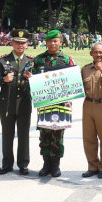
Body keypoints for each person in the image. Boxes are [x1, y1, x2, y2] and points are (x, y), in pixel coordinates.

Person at [31, 29, 76, 178]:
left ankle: (55, 165)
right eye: (50, 41)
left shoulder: (67, 59)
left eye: (55, 41)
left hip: (61, 104)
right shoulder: (38, 60)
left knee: (57, 134)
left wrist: (69, 100)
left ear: (60, 42)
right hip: (44, 103)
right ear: (46, 42)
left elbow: (72, 81)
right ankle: (46, 164)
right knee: (44, 134)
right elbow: (33, 80)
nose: (52, 43)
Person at [0, 29, 34, 175]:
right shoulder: (2, 60)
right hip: (7, 103)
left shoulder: (31, 61)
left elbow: (39, 85)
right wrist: (4, 80)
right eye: (17, 42)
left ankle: (23, 164)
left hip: (24, 103)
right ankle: (7, 164)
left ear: (27, 44)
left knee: (24, 135)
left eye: (23, 43)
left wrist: (32, 79)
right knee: (7, 134)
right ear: (11, 43)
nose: (20, 45)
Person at [81, 42, 102, 179]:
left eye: (101, 52)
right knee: (88, 138)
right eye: (95, 52)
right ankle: (92, 167)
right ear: (91, 54)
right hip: (88, 104)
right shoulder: (84, 69)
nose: (98, 55)